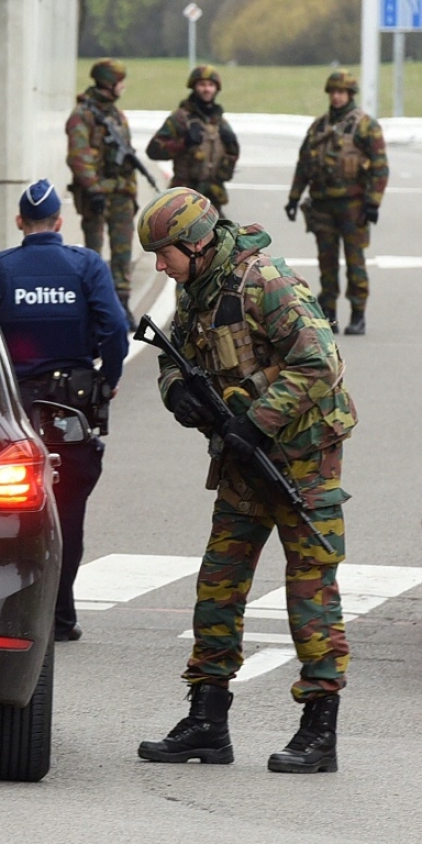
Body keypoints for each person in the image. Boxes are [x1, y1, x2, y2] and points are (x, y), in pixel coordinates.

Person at [135, 187, 358, 773]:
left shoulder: (266, 283)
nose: (160, 265)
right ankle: (207, 721)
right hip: (243, 460)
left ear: (196, 242)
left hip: (303, 461)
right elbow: (172, 357)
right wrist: (176, 392)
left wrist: (256, 422)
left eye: (165, 253)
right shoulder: (196, 291)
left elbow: (321, 362)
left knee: (310, 587)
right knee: (219, 581)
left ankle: (319, 730)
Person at [0, 179, 128, 642]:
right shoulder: (85, 266)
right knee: (68, 512)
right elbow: (115, 328)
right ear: (60, 223)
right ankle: (61, 617)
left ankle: (5, 613)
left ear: (20, 223)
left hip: (11, 415)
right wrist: (110, 379)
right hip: (70, 415)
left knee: (4, 511)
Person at [285, 68, 389, 336]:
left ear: (350, 94)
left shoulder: (366, 125)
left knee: (355, 263)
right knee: (326, 263)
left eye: (342, 92)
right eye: (333, 92)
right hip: (322, 207)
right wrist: (294, 198)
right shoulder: (319, 126)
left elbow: (379, 167)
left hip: (353, 207)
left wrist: (373, 202)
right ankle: (328, 312)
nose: (337, 97)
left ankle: (358, 314)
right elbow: (304, 165)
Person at [65, 58, 138, 331]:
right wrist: (93, 189)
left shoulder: (116, 115)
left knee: (122, 253)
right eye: (120, 81)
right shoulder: (82, 115)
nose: (123, 86)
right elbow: (78, 157)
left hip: (120, 195)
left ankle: (122, 303)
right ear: (109, 83)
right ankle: (92, 306)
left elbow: (127, 159)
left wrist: (132, 193)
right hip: (96, 195)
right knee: (93, 255)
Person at [145, 65, 239, 213]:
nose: (207, 89)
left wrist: (231, 150)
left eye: (211, 85)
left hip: (212, 196)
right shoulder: (180, 118)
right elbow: (153, 150)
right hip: (184, 196)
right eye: (202, 85)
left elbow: (231, 157)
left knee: (222, 234)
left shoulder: (220, 123)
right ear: (194, 87)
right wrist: (184, 143)